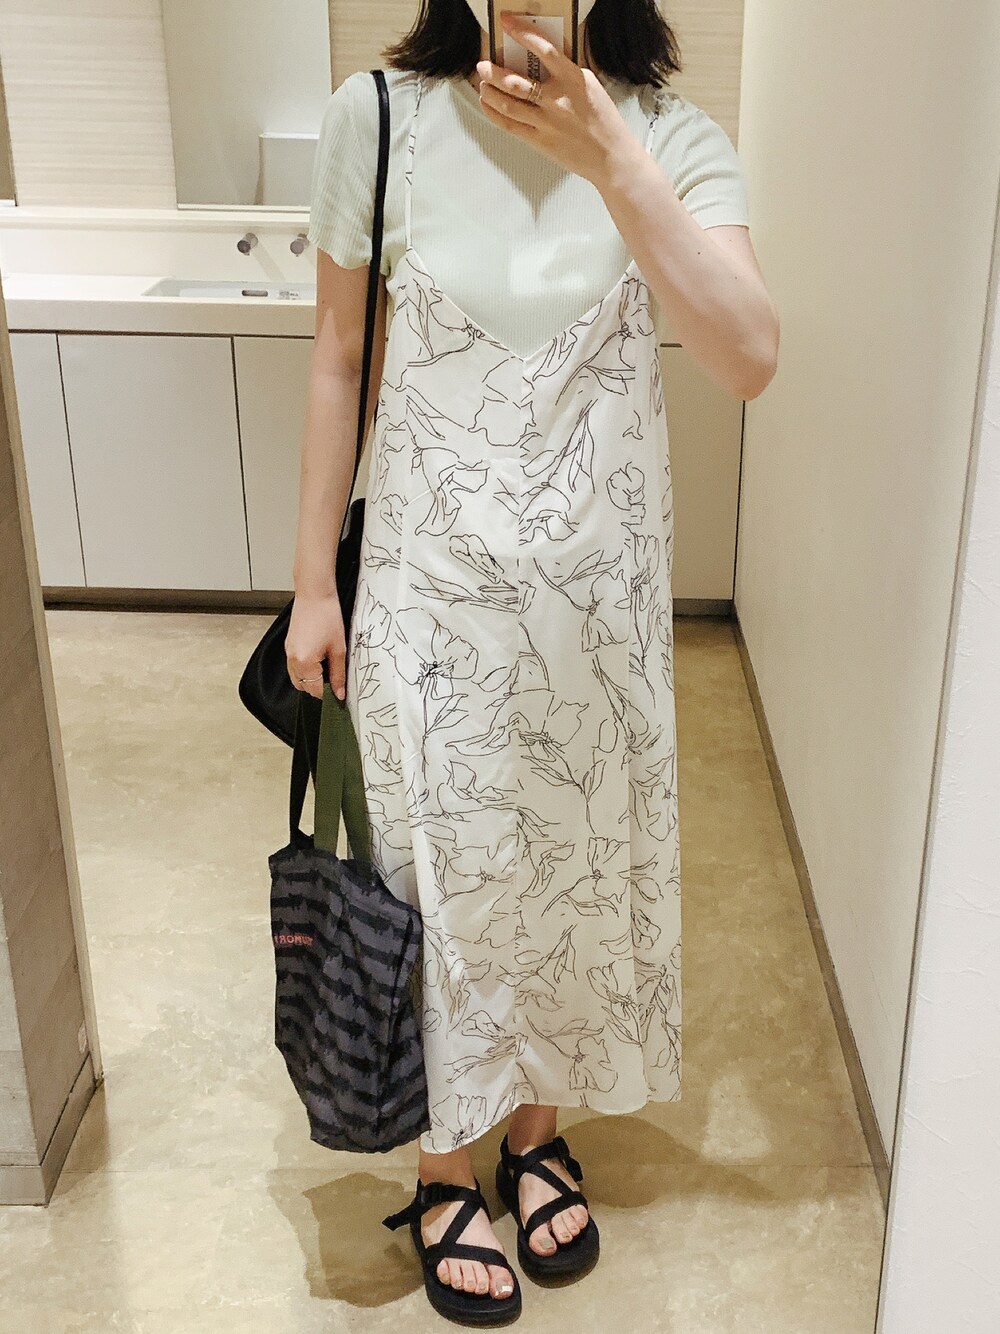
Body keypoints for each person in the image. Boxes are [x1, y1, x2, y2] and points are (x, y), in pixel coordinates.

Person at [288, 0, 778, 1324]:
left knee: (571, 872)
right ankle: (444, 1164)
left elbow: (748, 355)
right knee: (435, 878)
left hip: (594, 622)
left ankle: (534, 1132)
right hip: (426, 601)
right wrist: (314, 582)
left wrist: (613, 158)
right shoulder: (377, 121)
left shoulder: (672, 139)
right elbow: (339, 356)